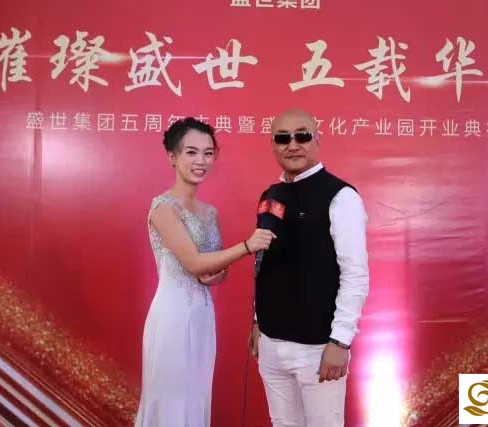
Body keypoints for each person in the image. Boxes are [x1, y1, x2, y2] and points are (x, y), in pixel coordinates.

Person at [135, 117, 274, 427]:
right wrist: (247, 246)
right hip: (171, 317)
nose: (201, 161)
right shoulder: (163, 208)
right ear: (172, 156)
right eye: (191, 152)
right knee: (170, 399)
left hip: (202, 317)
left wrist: (217, 273)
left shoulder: (210, 212)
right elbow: (196, 263)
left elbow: (215, 268)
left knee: (196, 397)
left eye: (208, 153)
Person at [249, 108, 369, 427]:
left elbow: (355, 275)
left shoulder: (341, 196)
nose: (293, 145)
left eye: (302, 135)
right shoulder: (270, 195)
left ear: (317, 139)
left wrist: (340, 341)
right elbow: (265, 262)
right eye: (282, 138)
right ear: (273, 144)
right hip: (271, 345)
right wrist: (258, 320)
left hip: (318, 347)